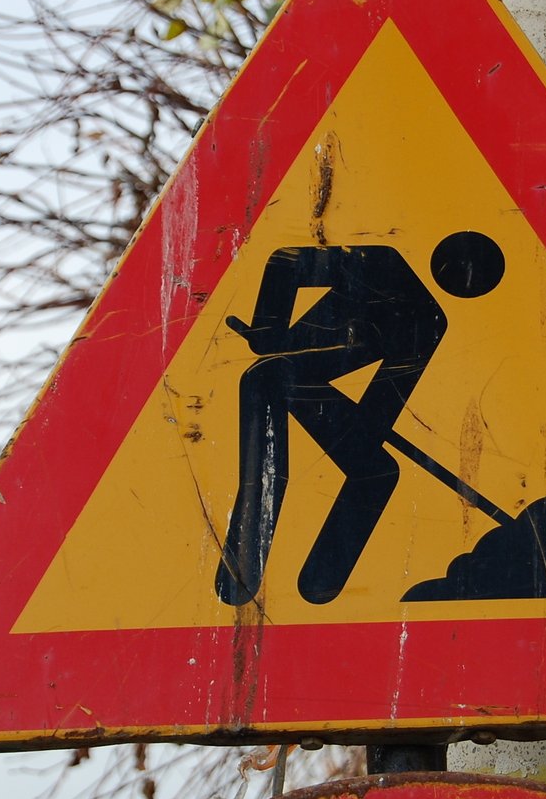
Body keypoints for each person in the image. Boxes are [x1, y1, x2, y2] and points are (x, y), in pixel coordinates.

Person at [216, 231, 504, 605]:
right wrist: (270, 326)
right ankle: (240, 573)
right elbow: (285, 261)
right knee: (271, 472)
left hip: (308, 385)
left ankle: (321, 585)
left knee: (377, 471)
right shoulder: (382, 263)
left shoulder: (430, 322)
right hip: (272, 375)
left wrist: (367, 431)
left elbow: (383, 402)